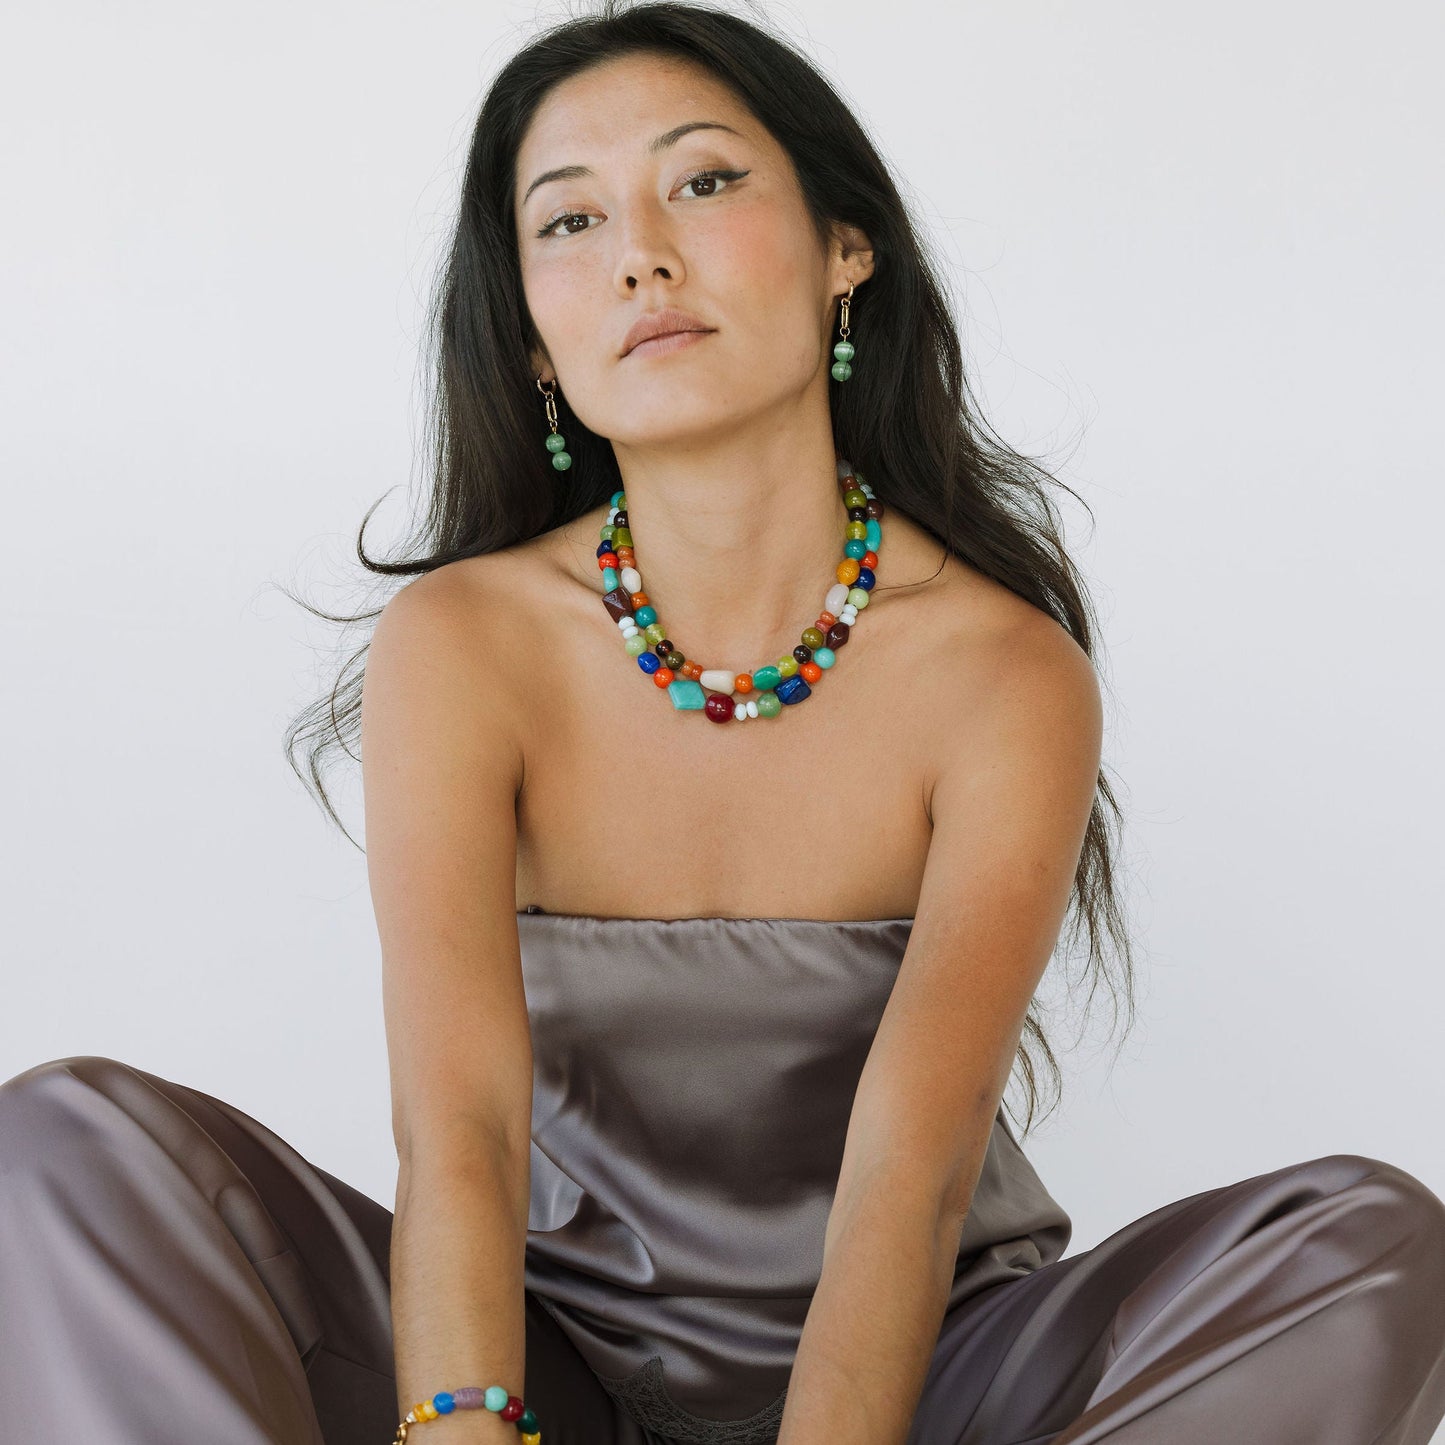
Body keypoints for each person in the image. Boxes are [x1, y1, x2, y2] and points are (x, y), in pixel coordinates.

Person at [3, 3, 1444, 1443]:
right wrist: (463, 1426)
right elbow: (462, 1130)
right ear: (533, 342)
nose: (639, 254)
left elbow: (913, 1170)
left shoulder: (1001, 671)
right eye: (569, 221)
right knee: (67, 1143)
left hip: (929, 1383)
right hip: (546, 1369)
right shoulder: (465, 643)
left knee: (1368, 1244)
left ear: (844, 248)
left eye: (701, 181)